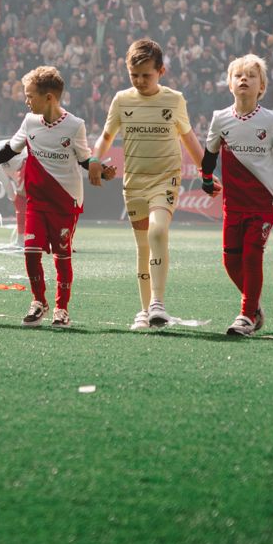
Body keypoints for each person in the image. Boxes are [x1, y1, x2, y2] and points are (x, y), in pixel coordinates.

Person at [0, 66, 111, 328]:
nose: (26, 101)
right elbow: (9, 148)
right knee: (30, 252)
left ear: (49, 97)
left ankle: (62, 309)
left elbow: (85, 159)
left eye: (30, 96)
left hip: (65, 201)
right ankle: (39, 302)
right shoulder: (29, 122)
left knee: (62, 257)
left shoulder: (75, 125)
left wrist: (103, 172)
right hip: (36, 201)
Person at [89, 38, 205, 330]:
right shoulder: (122, 100)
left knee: (158, 231)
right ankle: (144, 311)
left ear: (161, 72)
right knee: (142, 247)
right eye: (134, 75)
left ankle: (158, 303)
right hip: (134, 183)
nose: (140, 81)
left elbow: (189, 138)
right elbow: (106, 136)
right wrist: (93, 160)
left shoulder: (174, 100)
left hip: (165, 179)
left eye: (146, 75)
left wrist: (207, 172)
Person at [199, 55, 273, 337]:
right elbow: (210, 154)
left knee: (253, 256)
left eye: (251, 76)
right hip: (233, 204)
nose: (244, 79)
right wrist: (205, 180)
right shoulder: (220, 118)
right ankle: (253, 306)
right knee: (230, 261)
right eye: (238, 75)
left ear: (262, 86)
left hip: (262, 203)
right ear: (229, 84)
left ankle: (246, 315)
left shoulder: (271, 119)